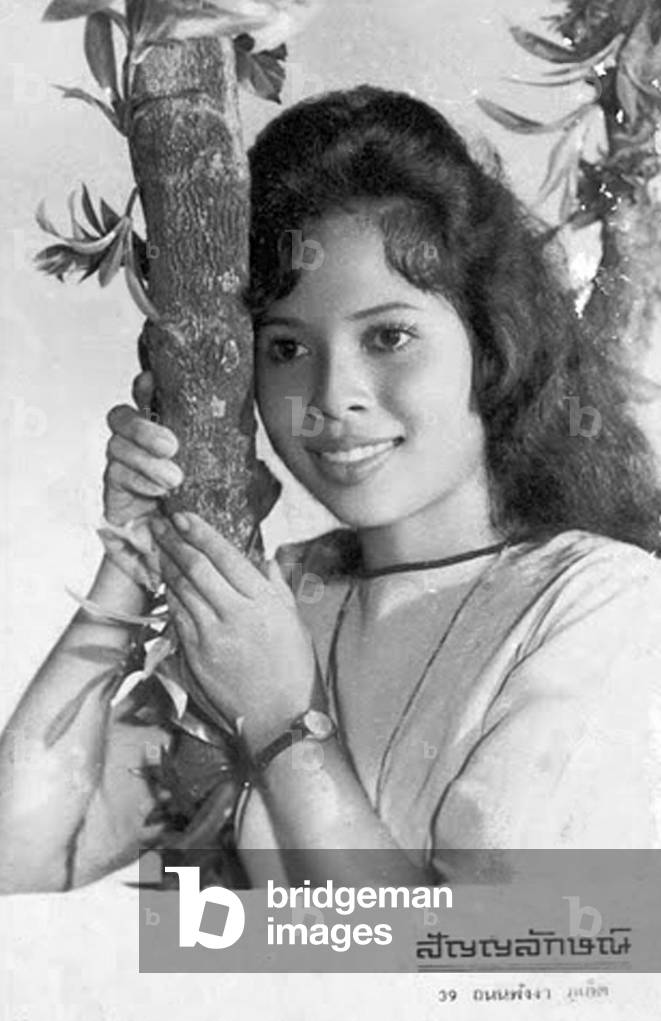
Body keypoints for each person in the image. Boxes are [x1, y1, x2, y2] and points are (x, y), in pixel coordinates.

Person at [1, 85, 661, 895]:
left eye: (388, 336)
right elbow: (25, 853)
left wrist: (285, 718)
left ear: (492, 339)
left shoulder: (603, 606)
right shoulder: (279, 599)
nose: (331, 394)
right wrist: (134, 564)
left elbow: (495, 971)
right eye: (284, 347)